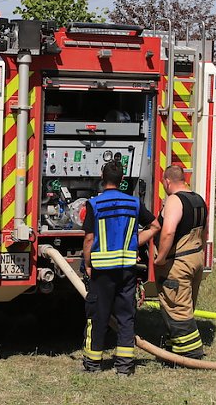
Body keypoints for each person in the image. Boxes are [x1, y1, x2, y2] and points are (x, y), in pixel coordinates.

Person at [81, 160, 157, 375]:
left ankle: (93, 364)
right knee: (126, 316)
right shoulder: (133, 203)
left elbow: (89, 238)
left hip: (102, 270)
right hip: (126, 269)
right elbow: (155, 226)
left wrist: (87, 263)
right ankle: (124, 366)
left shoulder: (94, 204)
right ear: (123, 180)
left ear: (102, 178)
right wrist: (134, 242)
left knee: (98, 317)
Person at [153, 165, 208, 359]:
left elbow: (168, 231)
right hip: (196, 258)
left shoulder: (174, 201)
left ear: (167, 181)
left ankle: (191, 354)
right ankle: (175, 347)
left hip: (179, 262)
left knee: (177, 307)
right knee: (187, 304)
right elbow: (205, 232)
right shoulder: (199, 200)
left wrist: (160, 259)